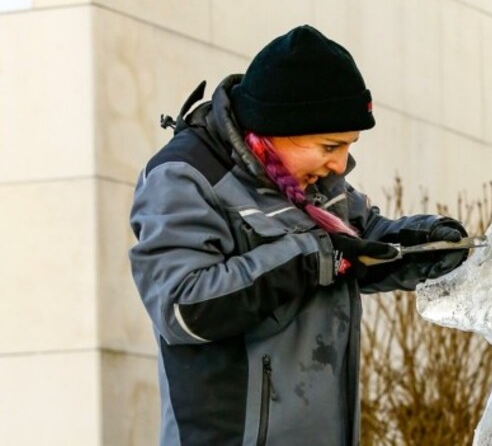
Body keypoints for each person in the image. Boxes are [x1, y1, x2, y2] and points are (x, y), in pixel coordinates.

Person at [129, 25, 468, 446]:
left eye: (348, 145)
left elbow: (357, 244)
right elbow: (183, 307)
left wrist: (425, 245)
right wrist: (307, 260)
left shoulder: (311, 183)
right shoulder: (186, 178)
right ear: (276, 127)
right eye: (329, 146)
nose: (341, 165)